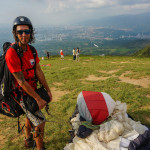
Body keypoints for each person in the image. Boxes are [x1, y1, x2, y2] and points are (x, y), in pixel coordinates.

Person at [5, 16, 52, 150]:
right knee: (40, 122)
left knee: (30, 116)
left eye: (26, 31)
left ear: (31, 32)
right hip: (20, 93)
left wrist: (47, 90)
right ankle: (39, 148)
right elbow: (20, 81)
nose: (24, 35)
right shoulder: (11, 54)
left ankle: (28, 140)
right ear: (15, 33)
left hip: (33, 89)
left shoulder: (31, 50)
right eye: (20, 32)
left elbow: (38, 71)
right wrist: (38, 99)